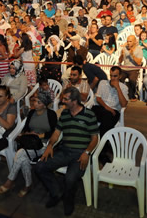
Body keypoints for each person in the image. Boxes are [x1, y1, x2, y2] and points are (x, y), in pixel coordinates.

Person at [35, 87, 99, 216]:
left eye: (65, 99)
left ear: (74, 101)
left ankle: (68, 201)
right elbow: (57, 132)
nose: (62, 100)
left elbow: (94, 138)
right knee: (40, 166)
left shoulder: (89, 115)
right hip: (65, 151)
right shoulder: (64, 114)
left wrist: (87, 153)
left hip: (80, 153)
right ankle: (56, 193)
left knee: (70, 179)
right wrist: (50, 145)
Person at [0, 90, 57, 197]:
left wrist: (40, 135)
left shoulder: (51, 115)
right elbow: (25, 129)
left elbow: (54, 132)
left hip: (44, 145)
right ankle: (27, 185)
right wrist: (28, 133)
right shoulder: (31, 113)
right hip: (30, 144)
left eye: (39, 102)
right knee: (22, 156)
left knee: (20, 154)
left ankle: (11, 181)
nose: (35, 104)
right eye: (35, 101)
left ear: (45, 104)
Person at [94, 66, 129, 136]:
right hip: (101, 108)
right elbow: (98, 99)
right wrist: (108, 108)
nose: (112, 78)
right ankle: (105, 141)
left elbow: (124, 105)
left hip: (114, 112)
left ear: (120, 76)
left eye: (115, 76)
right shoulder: (103, 83)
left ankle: (100, 141)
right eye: (111, 76)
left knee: (108, 118)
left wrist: (118, 88)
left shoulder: (123, 88)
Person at [119, 35, 144, 101]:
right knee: (119, 77)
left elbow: (139, 63)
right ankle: (120, 94)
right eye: (127, 41)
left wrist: (132, 55)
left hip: (134, 69)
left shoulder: (139, 50)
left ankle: (132, 95)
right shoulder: (124, 49)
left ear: (134, 41)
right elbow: (120, 61)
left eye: (130, 41)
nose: (128, 43)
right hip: (124, 68)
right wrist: (122, 55)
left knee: (132, 80)